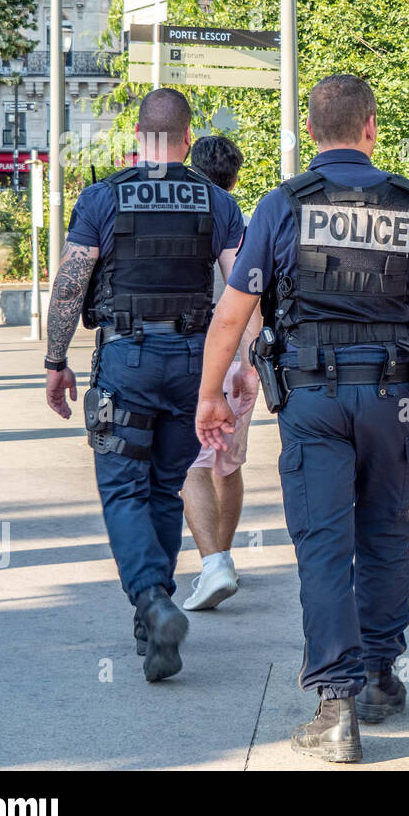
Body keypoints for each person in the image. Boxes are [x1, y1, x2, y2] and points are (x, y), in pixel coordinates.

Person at [195, 74, 409, 763]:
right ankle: (381, 676)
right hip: (392, 397)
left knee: (323, 542)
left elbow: (233, 313)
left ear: (312, 132)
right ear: (371, 127)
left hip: (312, 399)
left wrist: (209, 395)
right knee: (384, 530)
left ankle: (335, 705)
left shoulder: (281, 205)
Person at [43, 88, 245, 682]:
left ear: (136, 136)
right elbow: (241, 291)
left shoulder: (103, 198)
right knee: (164, 487)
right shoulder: (216, 202)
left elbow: (71, 284)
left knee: (124, 488)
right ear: (187, 139)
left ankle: (153, 602)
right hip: (192, 362)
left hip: (127, 360)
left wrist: (57, 360)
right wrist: (238, 364)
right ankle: (151, 621)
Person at [180, 135, 259, 610]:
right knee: (228, 465)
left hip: (199, 357)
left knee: (193, 463)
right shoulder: (246, 226)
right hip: (240, 361)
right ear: (235, 175)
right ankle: (225, 557)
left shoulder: (188, 220)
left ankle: (214, 564)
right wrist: (252, 362)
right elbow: (253, 296)